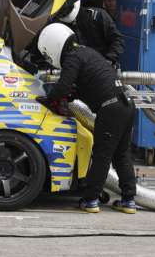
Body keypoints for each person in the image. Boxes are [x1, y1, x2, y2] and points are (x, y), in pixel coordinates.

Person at [37, 23, 136, 214]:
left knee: (101, 155)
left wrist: (48, 99)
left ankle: (91, 200)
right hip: (127, 104)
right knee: (122, 155)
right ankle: (128, 200)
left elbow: (63, 87)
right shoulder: (87, 53)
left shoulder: (72, 58)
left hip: (111, 108)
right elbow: (82, 88)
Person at [58, 0, 124, 67]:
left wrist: (109, 59)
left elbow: (117, 39)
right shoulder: (61, 25)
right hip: (78, 68)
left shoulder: (97, 15)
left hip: (101, 66)